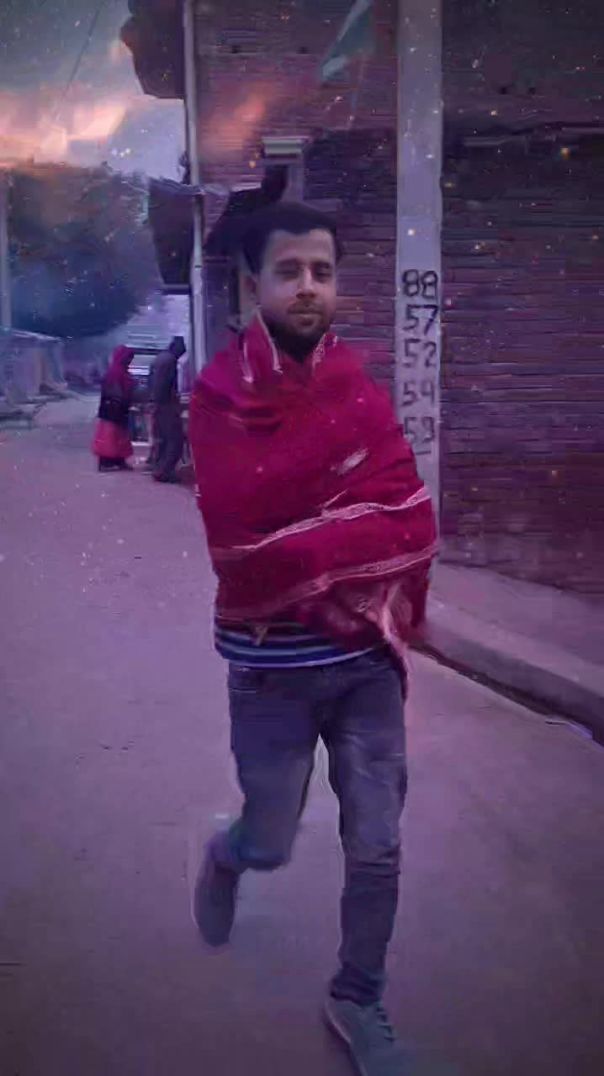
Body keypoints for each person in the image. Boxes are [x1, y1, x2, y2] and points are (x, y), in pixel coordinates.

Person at [188, 204, 439, 1076]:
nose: (307, 287)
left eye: (322, 272)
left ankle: (357, 998)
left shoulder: (358, 393)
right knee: (272, 838)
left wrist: (321, 536)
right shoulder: (219, 397)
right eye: (289, 271)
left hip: (367, 659)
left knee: (378, 844)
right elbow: (241, 548)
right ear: (252, 283)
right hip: (271, 672)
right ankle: (230, 855)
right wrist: (347, 529)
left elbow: (412, 517)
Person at [148, 336, 186, 483]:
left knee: (163, 439)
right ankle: (165, 471)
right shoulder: (169, 361)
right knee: (175, 440)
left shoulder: (160, 358)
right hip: (166, 405)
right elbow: (164, 386)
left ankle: (159, 468)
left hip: (158, 404)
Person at [92, 345, 136, 472]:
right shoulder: (115, 373)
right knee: (109, 438)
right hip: (112, 411)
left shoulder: (119, 372)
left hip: (117, 410)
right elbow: (115, 392)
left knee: (119, 438)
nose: (129, 361)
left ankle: (118, 461)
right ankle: (106, 462)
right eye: (128, 358)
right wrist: (122, 402)